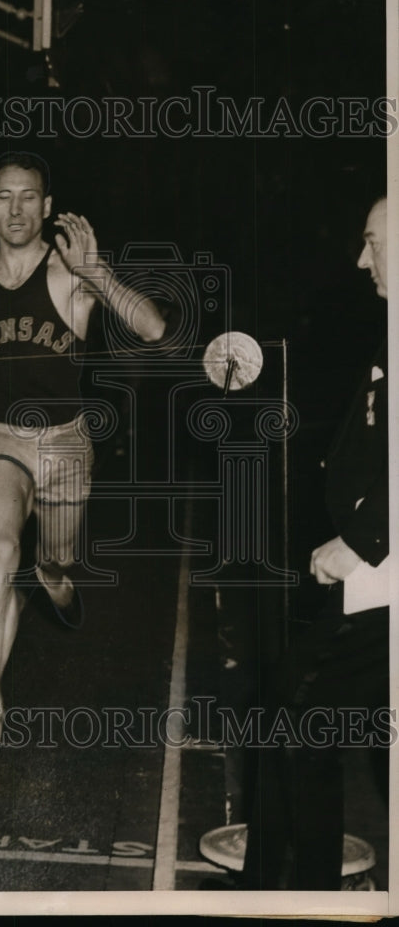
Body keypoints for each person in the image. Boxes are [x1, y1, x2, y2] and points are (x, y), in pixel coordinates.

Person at [0, 151, 167, 760]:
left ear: (46, 207)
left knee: (55, 560)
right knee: (1, 547)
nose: (16, 208)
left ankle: (57, 576)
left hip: (65, 442)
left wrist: (98, 274)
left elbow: (151, 327)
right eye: (4, 197)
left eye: (28, 197)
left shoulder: (72, 275)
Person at [240, 196, 390, 889]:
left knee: (295, 712)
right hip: (373, 570)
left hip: (380, 572)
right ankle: (292, 882)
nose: (361, 260)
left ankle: (300, 889)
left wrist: (363, 540)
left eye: (371, 243)